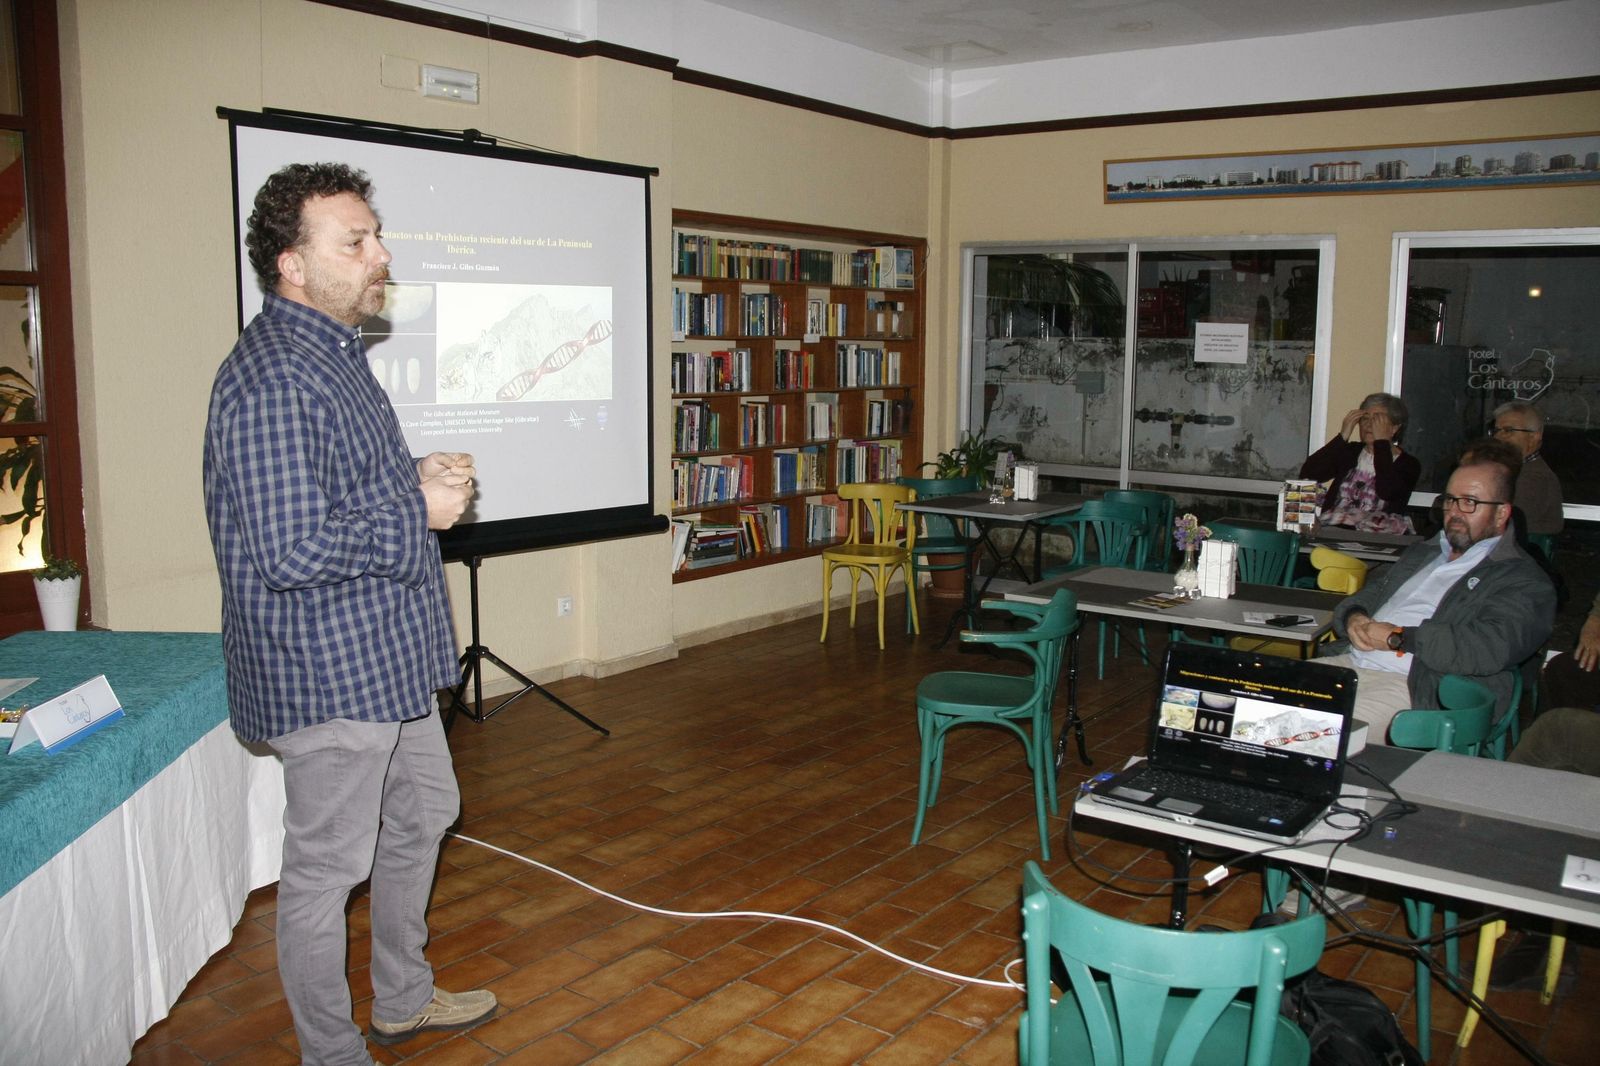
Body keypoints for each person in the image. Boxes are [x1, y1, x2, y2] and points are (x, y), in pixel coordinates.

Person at [204, 163, 493, 1064]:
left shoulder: (333, 350)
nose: (381, 254)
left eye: (376, 235)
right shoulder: (271, 380)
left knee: (427, 809)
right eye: (355, 242)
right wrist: (418, 510)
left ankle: (403, 998)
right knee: (327, 873)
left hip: (386, 658)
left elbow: (342, 499)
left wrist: (415, 480)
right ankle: (331, 1054)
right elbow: (291, 552)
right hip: (327, 672)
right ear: (292, 264)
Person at [1316, 456, 1555, 740]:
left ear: (1502, 514)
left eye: (1469, 502)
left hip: (1420, 686)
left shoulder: (1524, 580)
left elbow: (1488, 647)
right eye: (1450, 500)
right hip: (1351, 665)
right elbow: (1370, 594)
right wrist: (1354, 616)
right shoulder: (1423, 553)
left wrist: (1398, 638)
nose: (1455, 511)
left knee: (1317, 736)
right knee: (1254, 704)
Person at [1299, 392, 1420, 534]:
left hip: (1376, 541)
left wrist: (1381, 443)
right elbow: (1309, 473)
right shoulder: (1351, 451)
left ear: (1394, 428)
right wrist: (1343, 436)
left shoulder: (1409, 464)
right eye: (1365, 419)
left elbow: (1387, 491)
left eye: (1377, 420)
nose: (1369, 425)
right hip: (1332, 533)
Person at [1491, 399, 1564, 536]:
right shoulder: (1515, 470)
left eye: (1508, 430)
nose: (1498, 436)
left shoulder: (1534, 478)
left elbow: (1506, 528)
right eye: (1496, 430)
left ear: (1534, 437)